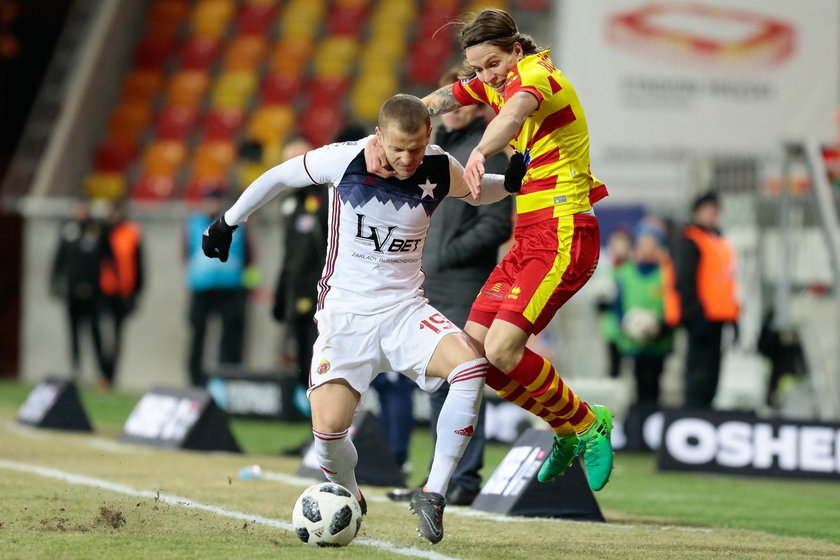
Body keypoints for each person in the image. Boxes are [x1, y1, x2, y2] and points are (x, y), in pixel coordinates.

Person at [202, 94, 515, 544]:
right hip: (345, 318)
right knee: (327, 432)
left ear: (428, 136)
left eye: (416, 148)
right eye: (398, 148)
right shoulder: (345, 159)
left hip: (405, 310)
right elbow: (278, 177)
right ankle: (351, 494)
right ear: (380, 136)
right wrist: (229, 221)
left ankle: (434, 492)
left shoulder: (439, 164)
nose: (407, 159)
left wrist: (513, 182)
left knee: (470, 366)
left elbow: (475, 190)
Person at [365, 8, 614, 491]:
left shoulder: (537, 75)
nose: (485, 77)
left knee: (502, 348)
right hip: (530, 237)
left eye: (493, 64)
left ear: (516, 50)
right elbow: (436, 101)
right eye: (477, 69)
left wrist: (480, 151)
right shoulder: (491, 82)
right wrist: (390, 126)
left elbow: (514, 114)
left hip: (565, 232)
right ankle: (564, 425)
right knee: (473, 357)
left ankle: (585, 422)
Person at [391, 66, 513, 505]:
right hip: (430, 283)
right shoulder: (433, 153)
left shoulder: (486, 153)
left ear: (478, 107)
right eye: (451, 104)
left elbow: (496, 224)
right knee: (435, 384)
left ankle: (463, 479)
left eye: (464, 104)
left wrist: (444, 255)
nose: (455, 112)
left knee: (463, 378)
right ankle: (436, 478)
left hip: (465, 282)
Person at [272, 137, 327, 419]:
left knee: (319, 365)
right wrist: (281, 295)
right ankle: (313, 432)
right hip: (297, 296)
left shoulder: (327, 199)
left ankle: (324, 433)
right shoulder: (290, 203)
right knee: (303, 365)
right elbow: (289, 255)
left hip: (320, 297)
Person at [673, 191, 740, 409]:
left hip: (718, 316)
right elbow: (685, 280)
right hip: (702, 317)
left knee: (712, 371)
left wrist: (734, 315)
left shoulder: (718, 241)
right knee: (698, 371)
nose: (712, 215)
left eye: (714, 211)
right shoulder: (692, 240)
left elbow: (726, 282)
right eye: (707, 211)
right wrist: (693, 313)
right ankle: (694, 412)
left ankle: (705, 411)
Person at [184, 187, 254, 388]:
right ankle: (195, 379)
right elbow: (186, 253)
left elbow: (249, 255)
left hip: (230, 287)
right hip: (201, 287)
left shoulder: (235, 223)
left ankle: (228, 377)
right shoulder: (193, 223)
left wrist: (246, 284)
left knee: (230, 336)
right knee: (198, 334)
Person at [613, 222, 676, 407]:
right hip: (634, 342)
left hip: (660, 340)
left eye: (652, 244)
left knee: (655, 382)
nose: (647, 249)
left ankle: (652, 416)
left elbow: (672, 302)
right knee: (637, 382)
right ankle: (638, 417)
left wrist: (664, 326)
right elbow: (618, 305)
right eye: (643, 243)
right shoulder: (625, 272)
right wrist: (624, 325)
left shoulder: (666, 272)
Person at [50, 196, 111, 383]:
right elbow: (58, 259)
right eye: (78, 208)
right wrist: (55, 283)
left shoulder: (97, 229)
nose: (80, 211)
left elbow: (108, 257)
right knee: (73, 332)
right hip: (72, 290)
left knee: (95, 332)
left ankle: (101, 373)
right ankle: (76, 371)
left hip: (94, 291)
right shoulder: (68, 229)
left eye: (83, 208)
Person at [98, 199, 144, 390]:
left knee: (117, 336)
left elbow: (139, 265)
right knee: (99, 332)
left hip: (123, 292)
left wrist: (136, 292)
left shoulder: (131, 233)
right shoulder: (101, 232)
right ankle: (101, 371)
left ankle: (110, 375)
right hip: (103, 290)